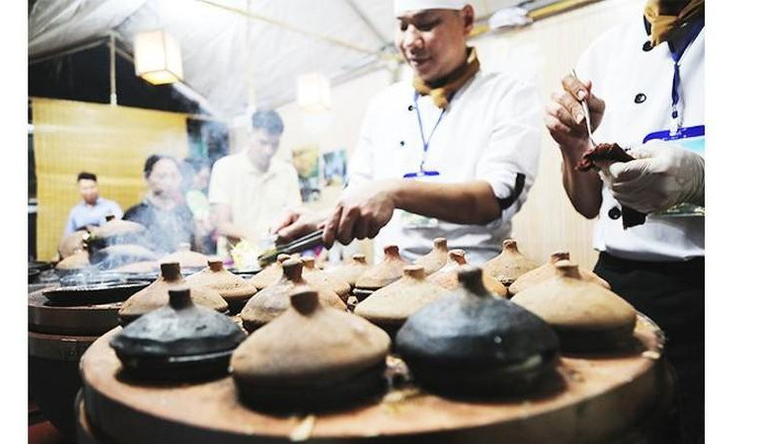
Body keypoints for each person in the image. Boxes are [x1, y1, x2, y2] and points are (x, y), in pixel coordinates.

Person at [545, 1, 704, 442]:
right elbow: (587, 203)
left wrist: (704, 181)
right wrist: (573, 146)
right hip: (620, 288)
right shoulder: (605, 51)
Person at [276, 0, 541, 264]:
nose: (410, 41)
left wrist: (395, 192)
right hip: (389, 278)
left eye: (426, 24)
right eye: (403, 26)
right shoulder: (383, 105)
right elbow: (361, 194)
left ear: (467, 20)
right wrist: (319, 218)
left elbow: (494, 200)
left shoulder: (508, 96)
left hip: (472, 274)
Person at [208, 109, 302, 257]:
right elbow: (221, 224)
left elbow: (294, 216)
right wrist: (259, 240)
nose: (268, 151)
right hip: (235, 261)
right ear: (250, 133)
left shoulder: (287, 171)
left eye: (274, 144)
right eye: (263, 142)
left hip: (278, 258)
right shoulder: (225, 168)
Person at [123, 154, 196, 255]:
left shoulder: (185, 213)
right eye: (162, 176)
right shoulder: (134, 215)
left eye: (174, 176)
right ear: (147, 177)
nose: (169, 182)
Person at [63, 171, 123, 235]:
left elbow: (120, 228)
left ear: (97, 186)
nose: (89, 192)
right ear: (79, 190)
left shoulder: (111, 207)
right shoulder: (75, 211)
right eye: (85, 188)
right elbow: (68, 236)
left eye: (92, 187)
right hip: (82, 240)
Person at [181, 157, 216, 254]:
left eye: (207, 180)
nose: (204, 184)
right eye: (202, 178)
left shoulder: (198, 195)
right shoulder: (187, 196)